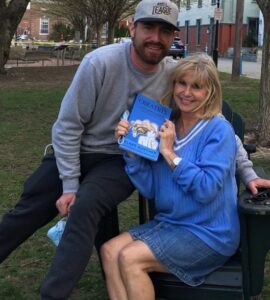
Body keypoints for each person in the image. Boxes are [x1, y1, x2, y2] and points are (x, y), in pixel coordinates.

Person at [0, 0, 268, 299]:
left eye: (165, 31)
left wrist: (246, 172)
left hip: (119, 158)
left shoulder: (173, 75)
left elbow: (221, 127)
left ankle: (53, 294)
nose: (155, 37)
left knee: (88, 204)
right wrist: (69, 184)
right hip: (78, 148)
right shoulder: (99, 63)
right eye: (149, 27)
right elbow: (67, 127)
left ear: (172, 36)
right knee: (30, 207)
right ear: (132, 28)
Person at [101, 54, 240, 300]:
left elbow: (206, 190)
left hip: (208, 233)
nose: (186, 92)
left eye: (196, 87)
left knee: (130, 258)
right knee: (110, 251)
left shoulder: (218, 130)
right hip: (171, 224)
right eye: (181, 83)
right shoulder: (165, 125)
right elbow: (151, 190)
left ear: (209, 92)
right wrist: (132, 151)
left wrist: (169, 154)